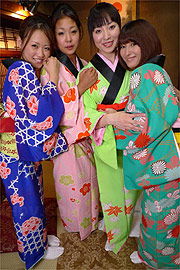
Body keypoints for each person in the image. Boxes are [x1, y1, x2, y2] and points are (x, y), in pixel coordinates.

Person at [77, 2, 146, 253]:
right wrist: (114, 118)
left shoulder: (131, 61)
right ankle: (116, 236)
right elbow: (85, 112)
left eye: (111, 26)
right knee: (111, 191)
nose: (106, 36)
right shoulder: (87, 72)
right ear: (92, 36)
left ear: (120, 27)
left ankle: (130, 226)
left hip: (134, 137)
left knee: (133, 189)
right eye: (98, 30)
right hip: (106, 139)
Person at [0, 15, 68, 270]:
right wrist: (50, 77)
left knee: (35, 196)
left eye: (46, 47)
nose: (41, 53)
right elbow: (41, 116)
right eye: (34, 46)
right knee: (26, 204)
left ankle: (39, 241)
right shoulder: (23, 70)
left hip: (21, 148)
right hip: (16, 154)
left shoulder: (24, 69)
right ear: (20, 42)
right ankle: (31, 253)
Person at [115, 19, 180, 269]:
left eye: (134, 44)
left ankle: (161, 261)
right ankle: (156, 254)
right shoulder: (158, 71)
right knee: (165, 217)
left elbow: (142, 124)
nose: (127, 51)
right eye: (123, 46)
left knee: (158, 220)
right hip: (167, 162)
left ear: (147, 43)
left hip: (159, 166)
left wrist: (116, 127)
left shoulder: (142, 73)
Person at [41, 3, 100, 241]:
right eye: (61, 32)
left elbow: (95, 104)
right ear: (54, 37)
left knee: (90, 184)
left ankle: (93, 221)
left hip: (87, 139)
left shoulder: (86, 65)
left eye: (73, 31)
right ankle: (74, 228)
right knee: (71, 189)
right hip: (66, 142)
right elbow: (51, 112)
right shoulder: (49, 70)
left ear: (80, 32)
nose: (68, 38)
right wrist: (80, 88)